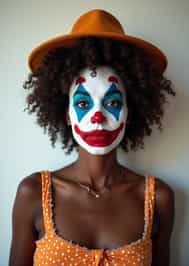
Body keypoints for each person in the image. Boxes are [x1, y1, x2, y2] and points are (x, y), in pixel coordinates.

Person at [9, 9, 175, 266]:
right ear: (67, 114)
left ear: (130, 112)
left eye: (112, 101)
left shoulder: (158, 198)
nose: (98, 116)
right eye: (84, 102)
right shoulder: (32, 193)